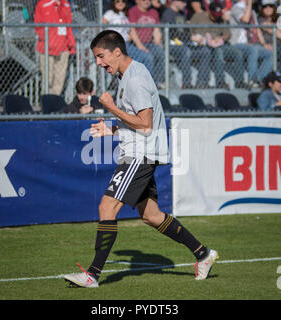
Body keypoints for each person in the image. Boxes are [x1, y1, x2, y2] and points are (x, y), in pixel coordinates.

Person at [63, 30, 218, 288]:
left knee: (106, 207)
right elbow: (138, 121)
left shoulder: (134, 78)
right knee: (151, 215)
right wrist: (111, 129)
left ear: (117, 51)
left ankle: (92, 275)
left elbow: (145, 125)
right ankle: (203, 254)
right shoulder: (129, 75)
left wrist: (111, 108)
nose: (99, 63)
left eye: (101, 56)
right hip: (142, 151)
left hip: (139, 154)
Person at [190, 2, 245, 89]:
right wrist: (196, 38)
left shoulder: (220, 18)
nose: (216, 16)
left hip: (218, 44)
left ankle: (240, 81)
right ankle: (220, 81)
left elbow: (228, 34)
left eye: (218, 15)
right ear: (209, 11)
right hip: (203, 45)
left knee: (238, 53)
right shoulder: (199, 16)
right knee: (218, 52)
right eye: (214, 14)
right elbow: (188, 30)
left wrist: (221, 38)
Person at [161, 0, 212, 88]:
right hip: (172, 46)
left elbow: (185, 32)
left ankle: (202, 82)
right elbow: (172, 33)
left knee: (205, 51)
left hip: (184, 44)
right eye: (183, 2)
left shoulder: (182, 14)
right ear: (175, 2)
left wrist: (195, 38)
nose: (185, 4)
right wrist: (190, 38)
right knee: (186, 51)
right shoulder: (167, 14)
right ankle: (187, 83)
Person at [34, 0, 76, 95]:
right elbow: (38, 25)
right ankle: (46, 101)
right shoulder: (43, 3)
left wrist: (71, 44)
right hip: (47, 48)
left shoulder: (65, 4)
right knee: (47, 78)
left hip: (63, 47)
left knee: (59, 78)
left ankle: (54, 101)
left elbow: (68, 25)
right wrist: (46, 39)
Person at [229, 0, 273, 88]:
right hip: (237, 43)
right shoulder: (236, 8)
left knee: (270, 53)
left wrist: (264, 44)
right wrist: (249, 4)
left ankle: (259, 79)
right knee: (253, 50)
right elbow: (245, 19)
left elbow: (257, 29)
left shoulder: (252, 11)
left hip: (250, 44)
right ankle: (252, 79)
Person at [102, 0, 153, 73]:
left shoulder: (124, 14)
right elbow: (101, 27)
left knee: (145, 58)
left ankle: (141, 79)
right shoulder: (110, 14)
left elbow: (128, 31)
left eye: (123, 1)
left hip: (127, 43)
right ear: (113, 3)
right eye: (118, 1)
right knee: (145, 57)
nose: (121, 3)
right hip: (116, 44)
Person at [128, 0, 165, 88]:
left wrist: (158, 43)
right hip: (136, 44)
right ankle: (148, 83)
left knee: (161, 53)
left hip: (149, 43)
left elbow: (156, 30)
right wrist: (140, 45)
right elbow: (132, 30)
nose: (147, 1)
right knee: (149, 57)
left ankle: (157, 82)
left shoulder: (153, 12)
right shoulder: (133, 11)